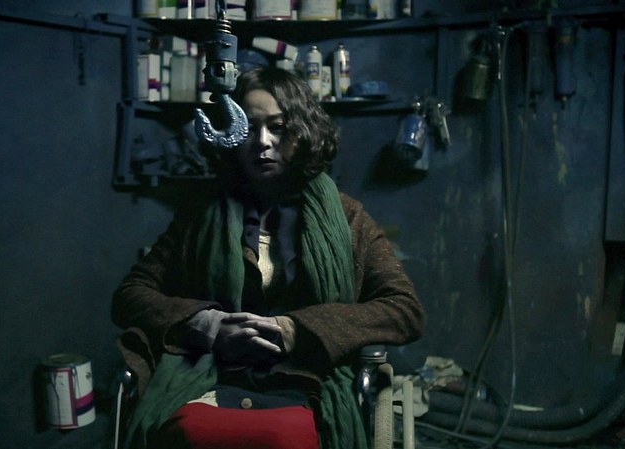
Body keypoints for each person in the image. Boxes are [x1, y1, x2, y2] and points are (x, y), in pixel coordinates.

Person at [112, 66, 424, 449]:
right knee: (188, 431)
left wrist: (298, 330)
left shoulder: (347, 217)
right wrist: (208, 325)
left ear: (304, 131)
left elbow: (404, 310)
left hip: (306, 381)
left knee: (286, 437)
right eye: (247, 128)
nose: (262, 142)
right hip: (211, 376)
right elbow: (130, 295)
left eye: (277, 127)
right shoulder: (202, 212)